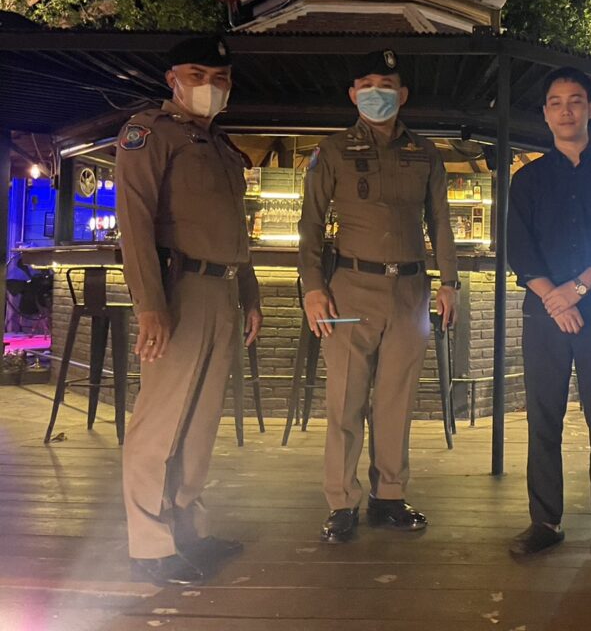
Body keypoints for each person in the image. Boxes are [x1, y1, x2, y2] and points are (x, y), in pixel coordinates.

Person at [116, 35, 262, 586]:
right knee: (162, 420)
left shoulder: (220, 146)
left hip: (222, 291)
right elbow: (134, 221)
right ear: (172, 79)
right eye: (198, 74)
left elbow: (233, 229)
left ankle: (189, 530)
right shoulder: (149, 133)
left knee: (200, 421)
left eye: (220, 78)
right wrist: (150, 306)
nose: (210, 86)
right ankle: (150, 546)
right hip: (178, 290)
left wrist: (249, 291)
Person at [298, 49, 458, 543]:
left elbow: (441, 222)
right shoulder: (332, 151)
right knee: (345, 400)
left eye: (385, 86)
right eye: (366, 85)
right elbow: (309, 225)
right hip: (350, 289)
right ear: (352, 94)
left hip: (411, 290)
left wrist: (449, 281)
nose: (376, 93)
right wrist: (312, 287)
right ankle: (341, 501)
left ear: (402, 94)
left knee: (396, 399)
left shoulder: (425, 153)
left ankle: (389, 495)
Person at [506, 66, 591, 564]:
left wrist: (576, 290)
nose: (566, 110)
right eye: (556, 102)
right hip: (545, 311)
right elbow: (519, 247)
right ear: (545, 113)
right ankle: (544, 521)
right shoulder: (527, 179)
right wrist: (554, 298)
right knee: (543, 414)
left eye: (576, 101)